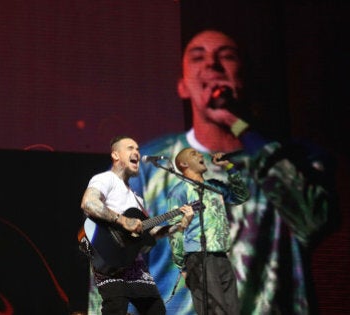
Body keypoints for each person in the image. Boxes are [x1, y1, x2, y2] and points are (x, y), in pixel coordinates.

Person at [88, 29, 334, 314]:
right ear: (182, 86)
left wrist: (237, 124)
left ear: (245, 78)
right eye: (198, 57)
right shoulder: (144, 168)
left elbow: (312, 222)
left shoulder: (293, 160)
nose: (212, 65)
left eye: (226, 56)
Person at [79, 135, 195, 315]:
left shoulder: (136, 198)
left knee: (156, 311)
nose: (137, 153)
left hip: (134, 264)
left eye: (138, 149)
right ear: (116, 155)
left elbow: (151, 233)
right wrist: (123, 220)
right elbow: (88, 203)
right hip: (110, 259)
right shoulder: (105, 179)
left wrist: (180, 225)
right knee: (115, 310)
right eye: (130, 148)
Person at [166, 148, 249, 314]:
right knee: (214, 309)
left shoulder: (214, 186)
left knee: (232, 309)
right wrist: (182, 266)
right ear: (183, 164)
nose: (200, 155)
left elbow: (241, 196)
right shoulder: (179, 191)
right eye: (193, 154)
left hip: (221, 255)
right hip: (198, 256)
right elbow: (175, 230)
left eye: (199, 153)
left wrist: (229, 167)